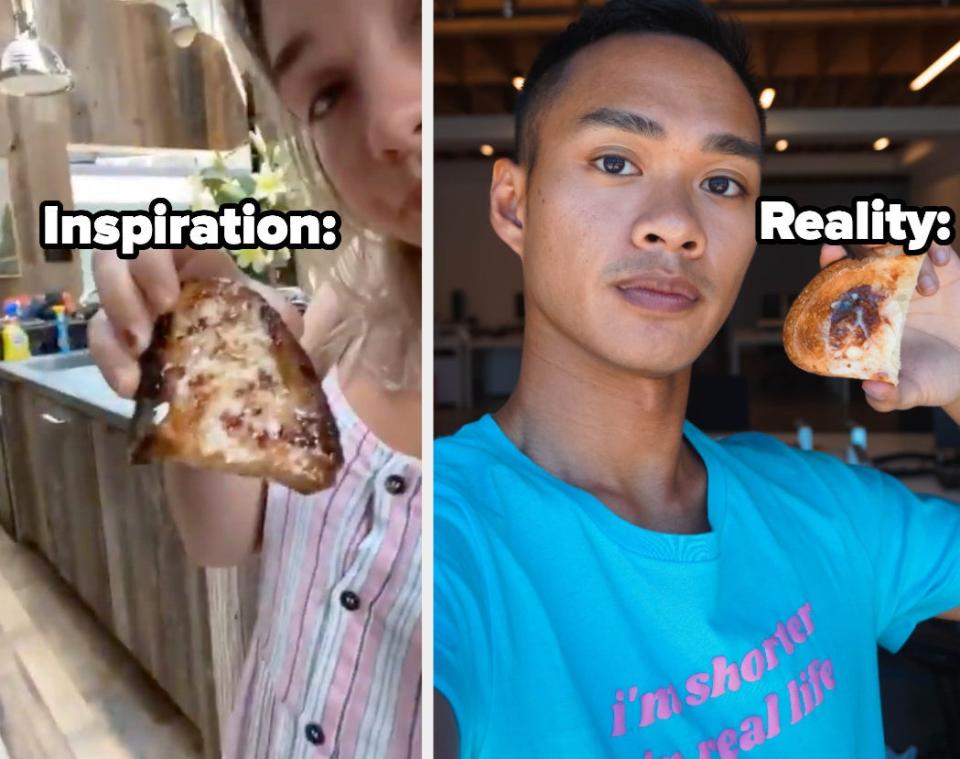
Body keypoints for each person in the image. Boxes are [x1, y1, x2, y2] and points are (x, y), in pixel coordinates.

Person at [434, 1, 960, 757]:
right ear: (513, 206)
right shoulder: (447, 537)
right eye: (615, 162)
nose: (675, 223)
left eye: (722, 181)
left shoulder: (832, 510)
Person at [89, 1, 422, 757]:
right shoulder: (351, 301)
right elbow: (219, 535)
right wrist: (205, 334)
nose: (387, 126)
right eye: (329, 92)